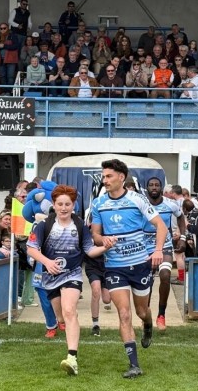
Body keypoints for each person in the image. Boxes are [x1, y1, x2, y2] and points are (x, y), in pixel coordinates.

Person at [90, 159, 168, 379]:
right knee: (124, 313)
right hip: (115, 267)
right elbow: (95, 235)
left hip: (140, 265)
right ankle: (134, 364)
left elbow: (161, 226)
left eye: (109, 176)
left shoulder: (137, 199)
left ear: (121, 177)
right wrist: (103, 240)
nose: (105, 181)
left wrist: (158, 250)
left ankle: (148, 324)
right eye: (103, 177)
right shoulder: (98, 203)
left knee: (141, 312)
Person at [27, 184, 111, 375]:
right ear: (54, 205)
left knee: (69, 310)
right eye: (60, 204)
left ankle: (72, 357)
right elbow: (31, 248)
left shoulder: (80, 226)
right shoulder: (43, 225)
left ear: (73, 205)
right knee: (61, 316)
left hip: (72, 274)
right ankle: (62, 322)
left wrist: (106, 246)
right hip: (50, 277)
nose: (64, 208)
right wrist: (47, 262)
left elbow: (90, 250)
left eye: (67, 204)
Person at [144, 177, 185, 330]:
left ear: (161, 188)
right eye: (151, 185)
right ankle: (146, 313)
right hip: (145, 248)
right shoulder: (142, 204)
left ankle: (161, 315)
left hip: (165, 246)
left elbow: (181, 217)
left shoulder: (170, 204)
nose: (154, 187)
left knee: (166, 276)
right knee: (147, 282)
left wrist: (182, 237)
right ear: (147, 188)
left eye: (157, 185)